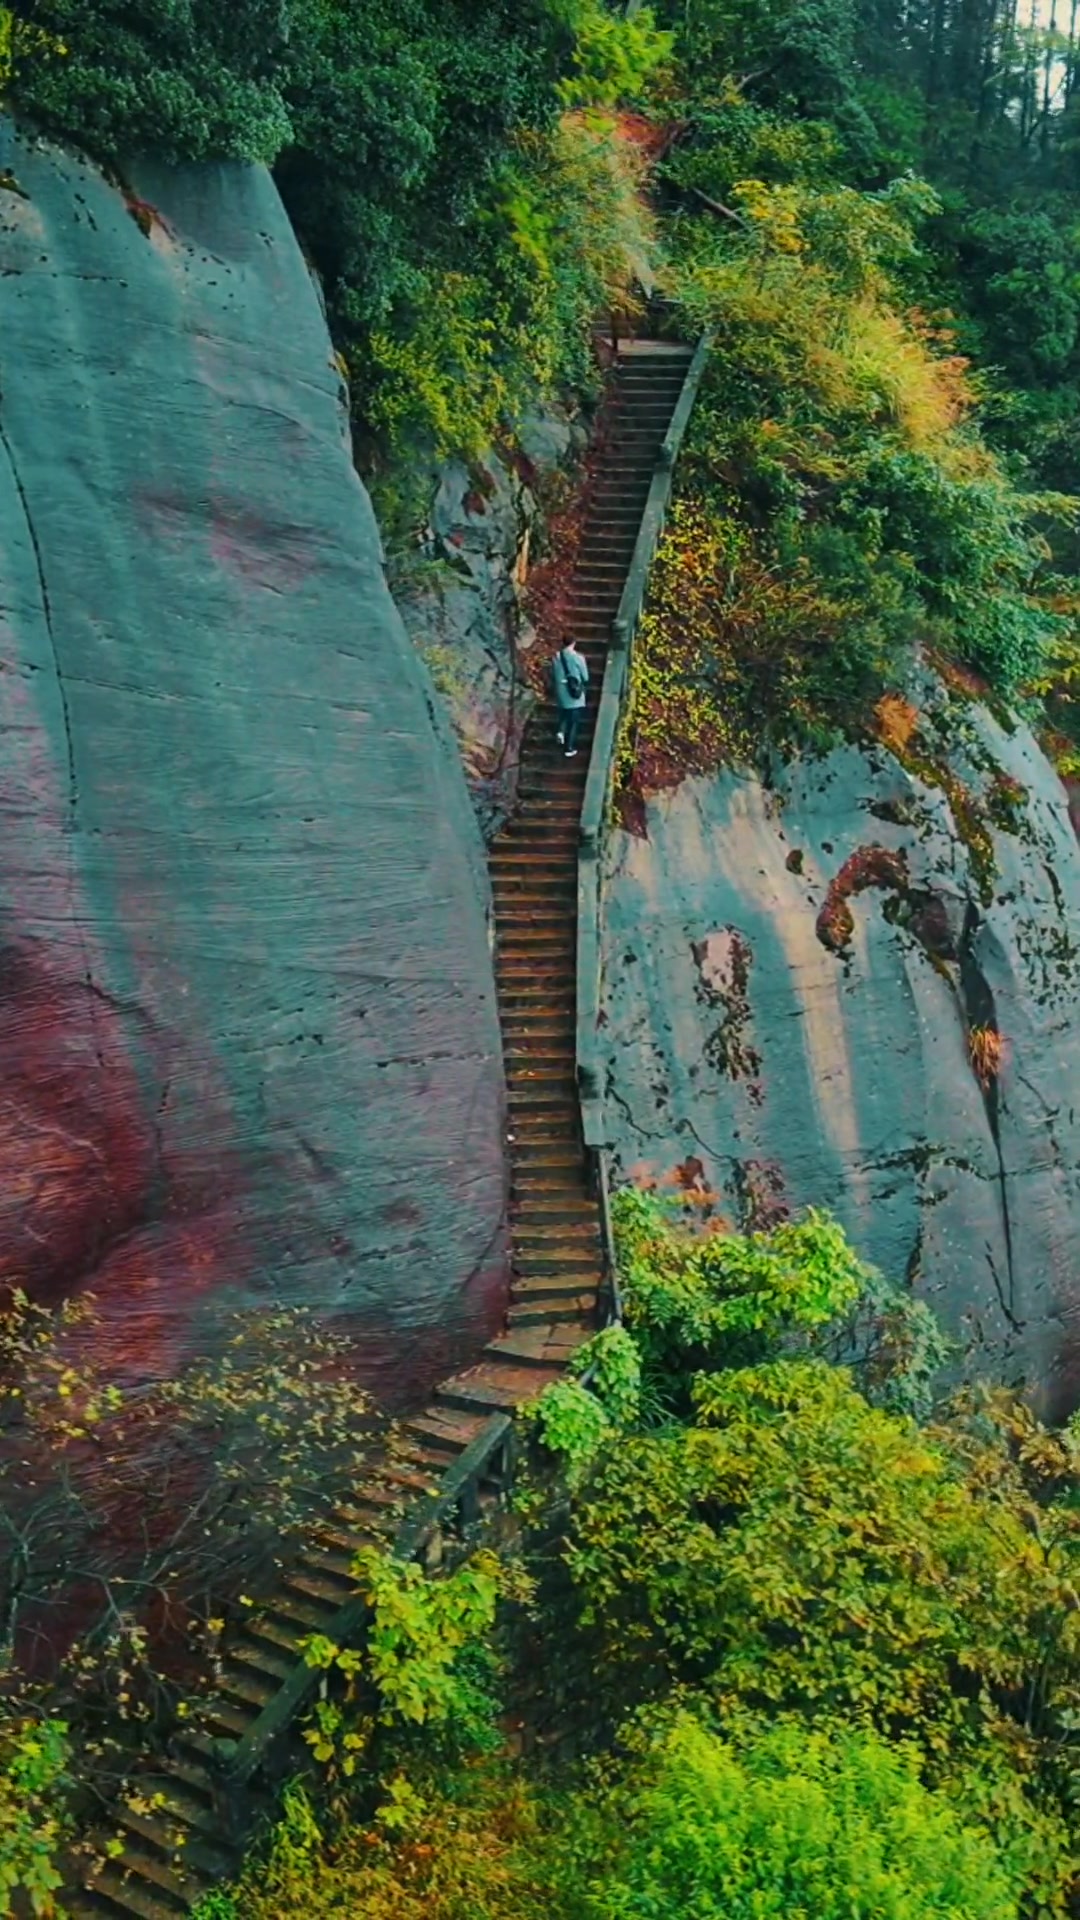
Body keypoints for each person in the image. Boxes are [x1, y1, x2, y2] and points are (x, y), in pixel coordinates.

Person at [551, 640, 589, 758]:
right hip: (574, 692)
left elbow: (553, 673)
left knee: (563, 713)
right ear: (574, 643)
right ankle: (569, 748)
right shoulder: (578, 658)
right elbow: (585, 677)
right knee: (573, 722)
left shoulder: (556, 657)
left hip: (561, 691)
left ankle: (560, 731)